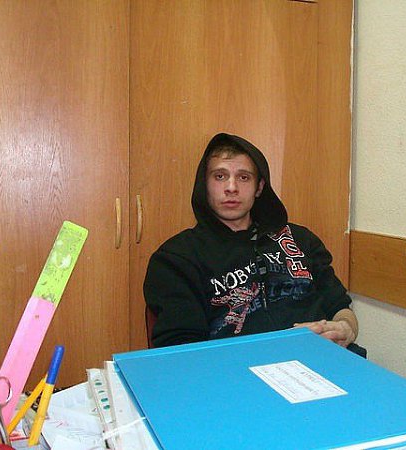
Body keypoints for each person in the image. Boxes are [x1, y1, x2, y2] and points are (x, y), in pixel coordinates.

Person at [144, 133, 359, 350]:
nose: (231, 187)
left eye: (243, 177)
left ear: (259, 187)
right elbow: (181, 351)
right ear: (205, 185)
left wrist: (345, 328)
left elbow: (340, 307)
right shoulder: (176, 258)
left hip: (327, 357)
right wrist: (282, 345)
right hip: (239, 368)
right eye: (220, 176)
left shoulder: (301, 239)